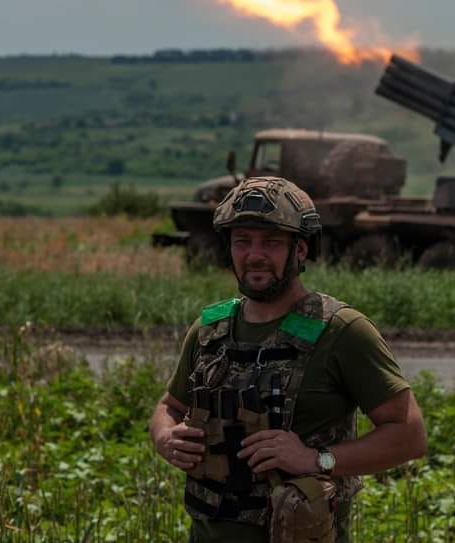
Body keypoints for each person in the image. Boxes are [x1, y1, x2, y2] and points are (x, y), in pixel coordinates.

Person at [149, 176, 426, 542]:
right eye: (242, 241)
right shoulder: (210, 328)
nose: (255, 255)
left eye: (272, 242)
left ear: (300, 250)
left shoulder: (342, 330)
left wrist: (316, 459)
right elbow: (169, 404)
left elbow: (409, 435)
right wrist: (165, 436)